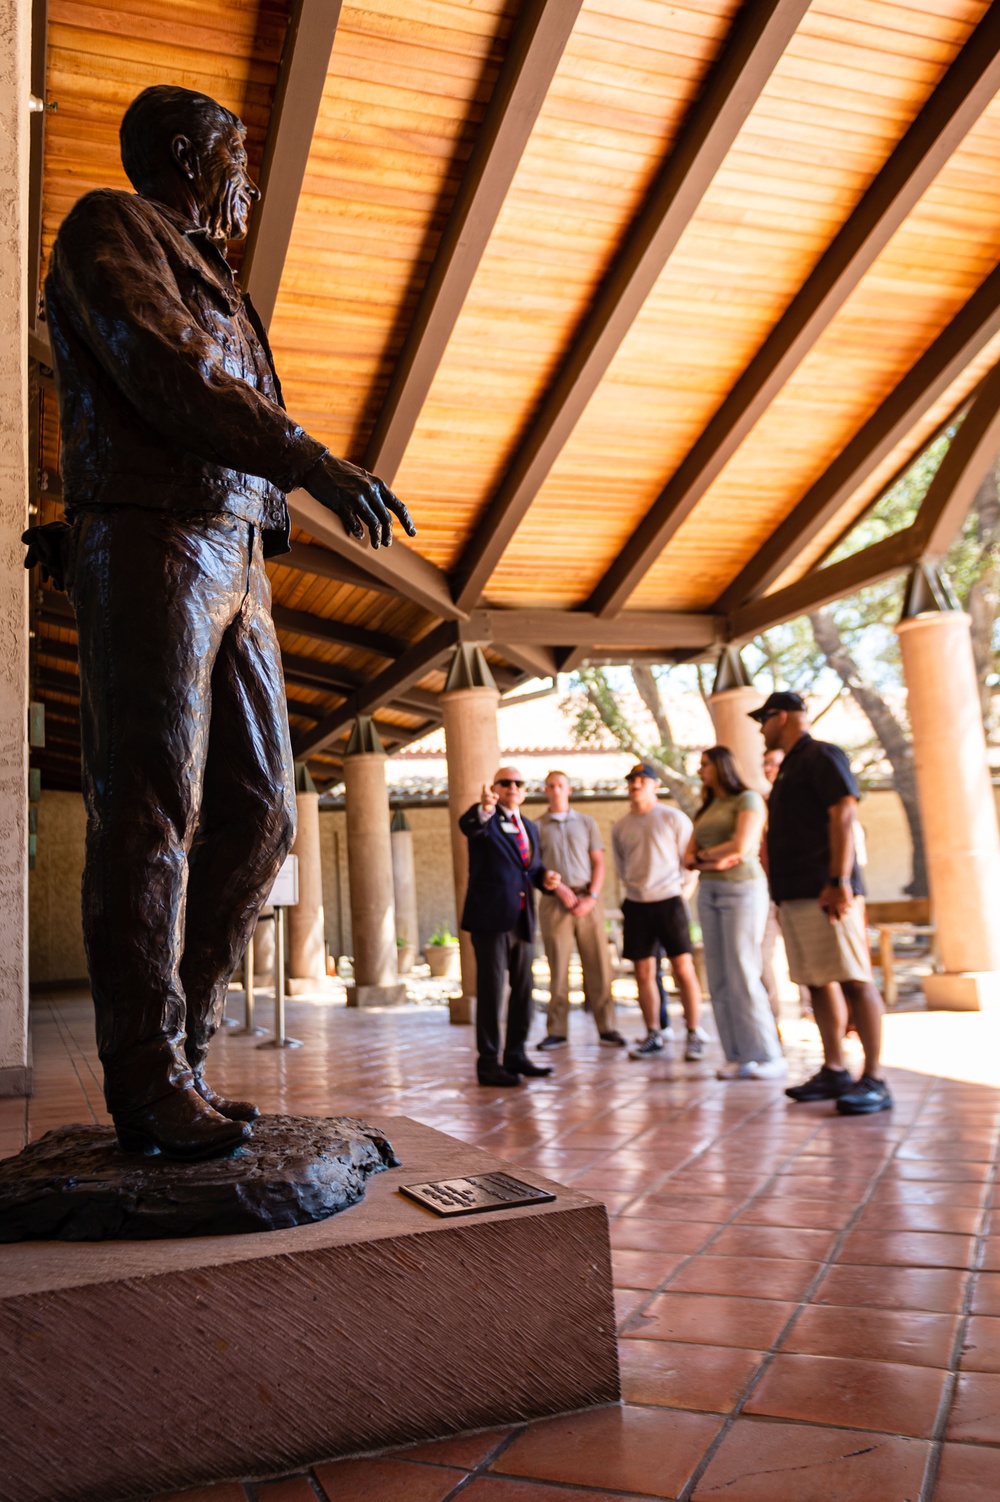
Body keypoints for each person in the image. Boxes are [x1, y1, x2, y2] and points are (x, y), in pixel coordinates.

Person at [30, 85, 414, 1159]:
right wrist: (311, 461)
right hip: (157, 536)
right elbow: (163, 367)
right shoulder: (110, 225)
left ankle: (185, 1049)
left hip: (237, 550)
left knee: (259, 816)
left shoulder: (224, 282)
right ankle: (147, 1081)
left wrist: (279, 487)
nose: (245, 180)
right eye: (237, 157)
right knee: (149, 806)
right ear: (190, 155)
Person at [752, 691, 892, 1115]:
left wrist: (838, 879)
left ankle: (875, 1078)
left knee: (853, 978)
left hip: (828, 890)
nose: (761, 727)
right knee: (817, 980)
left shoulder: (822, 755)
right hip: (794, 894)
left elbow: (843, 815)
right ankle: (834, 1069)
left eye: (765, 718)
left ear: (786, 716)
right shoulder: (789, 767)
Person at [685, 747, 785, 1080]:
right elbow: (687, 858)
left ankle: (768, 1054)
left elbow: (742, 848)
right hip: (709, 891)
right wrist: (713, 858)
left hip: (743, 890)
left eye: (705, 765)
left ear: (722, 766)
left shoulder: (748, 799)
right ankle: (738, 1055)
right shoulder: (706, 808)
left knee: (743, 971)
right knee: (718, 976)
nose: (701, 771)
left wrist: (708, 855)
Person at [459, 767, 562, 1087]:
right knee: (491, 992)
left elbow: (529, 869)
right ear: (495, 788)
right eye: (506, 783)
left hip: (522, 920)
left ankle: (515, 1054)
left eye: (518, 783)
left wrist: (545, 879)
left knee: (525, 990)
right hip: (490, 921)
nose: (513, 787)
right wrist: (485, 808)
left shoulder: (529, 827)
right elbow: (469, 826)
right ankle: (488, 1062)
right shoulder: (484, 820)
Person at [611, 764, 706, 1061]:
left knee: (682, 968)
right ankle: (654, 1033)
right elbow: (622, 866)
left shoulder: (673, 818)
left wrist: (681, 895)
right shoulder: (621, 826)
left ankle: (694, 1032)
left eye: (642, 779)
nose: (636, 784)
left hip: (670, 901)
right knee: (643, 971)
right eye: (631, 780)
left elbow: (690, 864)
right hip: (637, 904)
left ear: (654, 785)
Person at [535, 771, 625, 1050]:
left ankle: (607, 1027)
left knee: (598, 964)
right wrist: (557, 890)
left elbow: (598, 862)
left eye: (560, 785)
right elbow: (535, 869)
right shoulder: (536, 826)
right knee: (558, 966)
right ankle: (557, 1031)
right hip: (554, 903)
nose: (556, 790)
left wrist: (592, 896)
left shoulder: (586, 823)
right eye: (550, 786)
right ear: (545, 790)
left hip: (588, 899)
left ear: (569, 789)